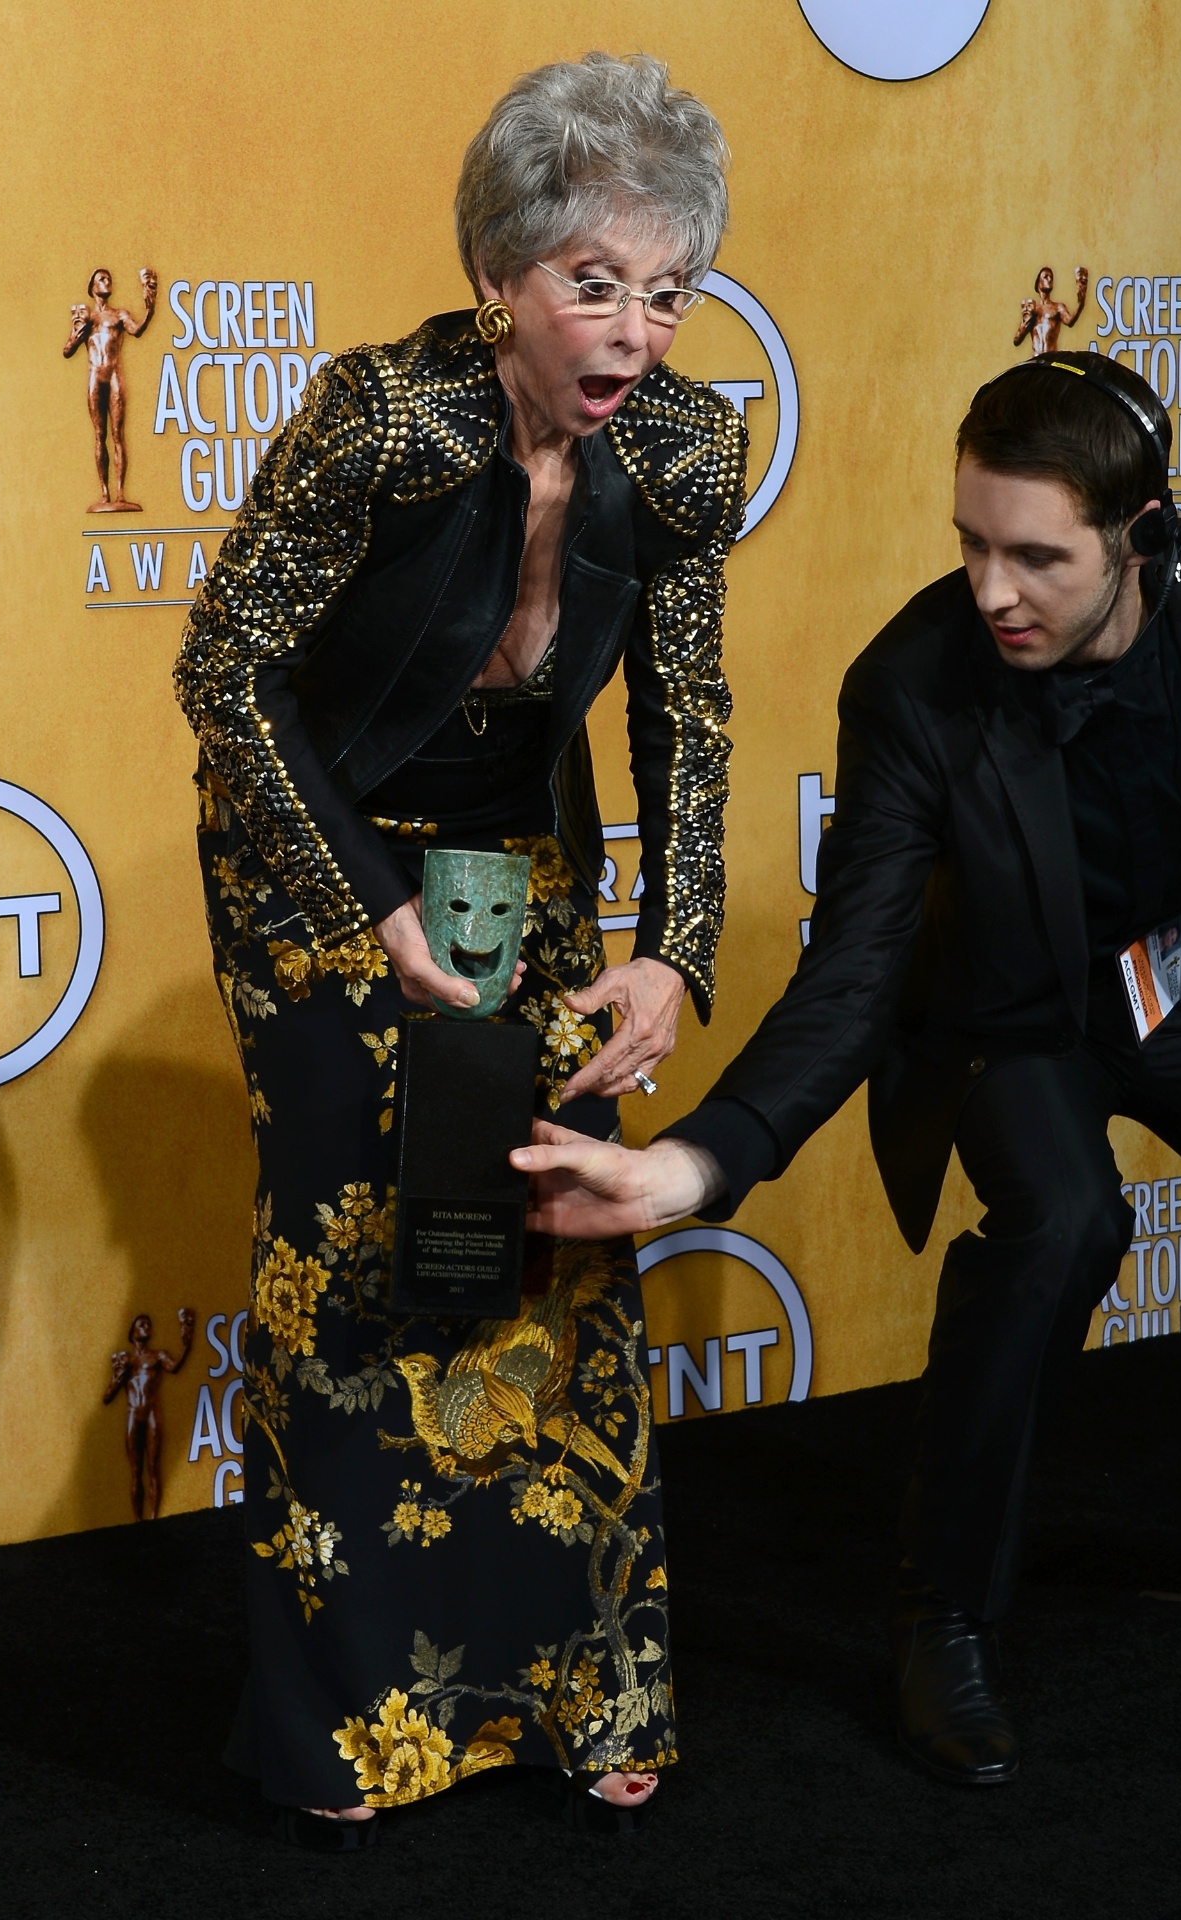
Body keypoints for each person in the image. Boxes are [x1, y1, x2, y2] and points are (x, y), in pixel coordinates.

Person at [516, 350, 1181, 1788]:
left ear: (1142, 537)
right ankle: (942, 1619)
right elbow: (849, 973)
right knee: (1059, 1225)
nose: (991, 591)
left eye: (1036, 556)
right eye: (970, 543)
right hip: (1000, 1010)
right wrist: (694, 1160)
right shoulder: (913, 684)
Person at [174, 52, 746, 1849]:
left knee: (552, 1235)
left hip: (519, 844)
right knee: (352, 1254)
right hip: (320, 843)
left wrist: (675, 949)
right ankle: (355, 1724)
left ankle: (588, 1691)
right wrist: (366, 905)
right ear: (503, 270)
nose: (634, 329)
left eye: (665, 289)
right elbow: (224, 675)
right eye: (594, 281)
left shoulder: (682, 448)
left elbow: (689, 717)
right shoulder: (382, 418)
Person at [62, 266, 157, 511]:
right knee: (99, 435)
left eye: (109, 279)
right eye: (102, 279)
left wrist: (150, 308)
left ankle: (120, 493)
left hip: (114, 376)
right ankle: (104, 493)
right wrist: (75, 335)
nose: (107, 282)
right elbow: (67, 350)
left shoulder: (119, 315)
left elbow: (137, 330)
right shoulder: (87, 318)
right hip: (95, 377)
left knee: (118, 435)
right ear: (93, 287)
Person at [102, 1308, 195, 1519]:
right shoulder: (126, 1361)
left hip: (152, 1412)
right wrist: (117, 1378)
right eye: (141, 1324)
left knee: (153, 1467)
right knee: (136, 1471)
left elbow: (175, 1367)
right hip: (133, 1415)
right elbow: (107, 1397)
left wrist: (187, 1345)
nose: (147, 1327)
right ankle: (138, 1520)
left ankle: (153, 1517)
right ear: (133, 1333)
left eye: (148, 1324)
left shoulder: (158, 1356)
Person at [1015, 263, 1088, 357]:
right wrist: (1024, 327)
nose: (1049, 279)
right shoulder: (1032, 308)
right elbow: (1017, 340)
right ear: (1038, 283)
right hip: (1035, 359)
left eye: (1051, 277)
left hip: (1051, 359)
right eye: (1046, 277)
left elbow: (1070, 321)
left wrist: (1080, 304)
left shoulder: (1058, 307)